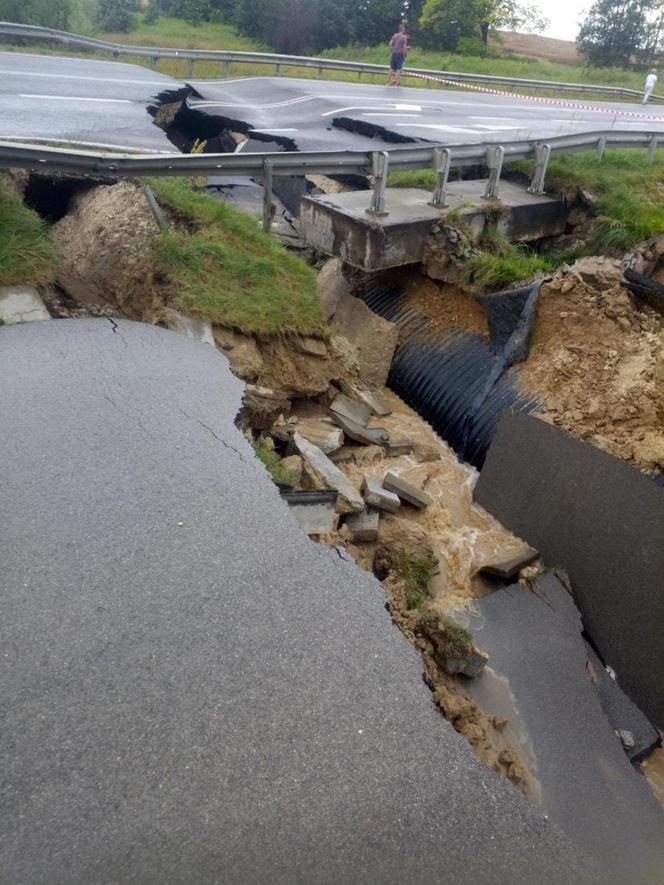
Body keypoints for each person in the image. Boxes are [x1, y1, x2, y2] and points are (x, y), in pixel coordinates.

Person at [388, 22, 409, 87]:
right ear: (403, 29)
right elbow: (404, 47)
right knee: (398, 69)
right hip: (400, 54)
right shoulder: (404, 37)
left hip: (394, 53)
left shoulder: (394, 35)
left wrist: (393, 49)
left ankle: (389, 82)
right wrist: (405, 53)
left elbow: (390, 44)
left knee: (391, 68)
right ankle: (396, 83)